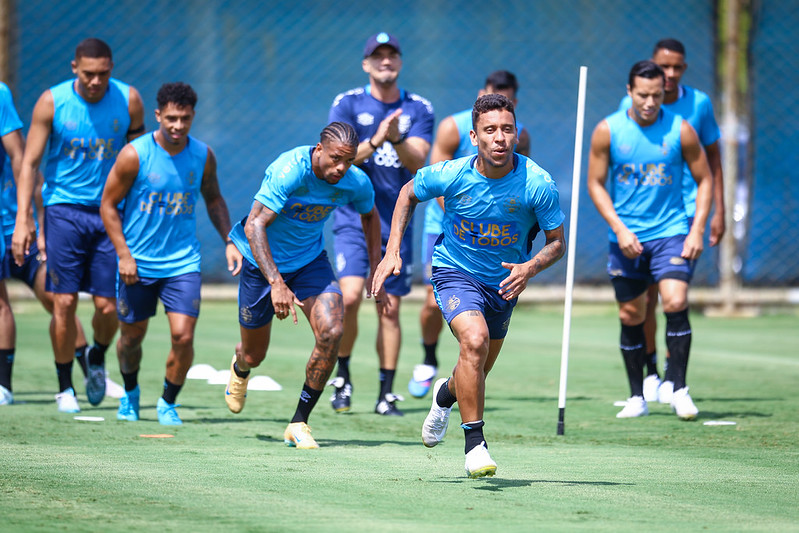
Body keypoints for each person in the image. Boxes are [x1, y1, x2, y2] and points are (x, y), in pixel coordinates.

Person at [372, 94, 565, 478]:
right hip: (454, 271)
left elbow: (557, 242)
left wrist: (529, 267)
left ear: (517, 134)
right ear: (474, 137)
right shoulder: (452, 173)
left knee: (474, 372)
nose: (499, 138)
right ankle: (475, 445)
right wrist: (392, 250)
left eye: (507, 129)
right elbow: (408, 193)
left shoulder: (537, 183)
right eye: (490, 130)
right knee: (474, 341)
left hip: (504, 285)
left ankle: (444, 395)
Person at [223, 122, 385, 448]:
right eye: (336, 158)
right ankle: (240, 367)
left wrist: (375, 266)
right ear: (319, 149)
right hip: (261, 264)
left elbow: (370, 215)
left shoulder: (354, 181)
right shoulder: (290, 171)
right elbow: (254, 225)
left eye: (348, 160)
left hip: (309, 262)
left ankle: (299, 422)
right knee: (254, 354)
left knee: (332, 332)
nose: (341, 168)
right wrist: (276, 282)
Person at [13, 38, 145, 413]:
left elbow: (140, 160)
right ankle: (65, 388)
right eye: (88, 74)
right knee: (64, 301)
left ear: (112, 68)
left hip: (109, 213)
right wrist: (24, 218)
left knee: (108, 307)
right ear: (74, 68)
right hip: (63, 211)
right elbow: (29, 164)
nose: (95, 81)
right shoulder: (51, 102)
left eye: (103, 73)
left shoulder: (129, 100)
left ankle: (97, 355)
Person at [100, 82, 240, 425]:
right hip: (138, 263)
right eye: (172, 118)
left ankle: (167, 402)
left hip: (182, 263)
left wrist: (230, 240)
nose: (178, 126)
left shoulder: (203, 155)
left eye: (185, 119)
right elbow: (107, 205)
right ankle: (130, 393)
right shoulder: (135, 154)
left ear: (193, 117)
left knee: (183, 336)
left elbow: (214, 198)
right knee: (131, 338)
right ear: (158, 115)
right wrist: (124, 255)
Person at [587, 60, 712, 420]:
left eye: (657, 95)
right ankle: (636, 397)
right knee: (631, 314)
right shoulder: (608, 130)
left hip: (671, 232)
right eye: (643, 95)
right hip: (626, 237)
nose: (650, 102)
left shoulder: (681, 129)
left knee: (675, 300)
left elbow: (705, 179)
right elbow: (595, 183)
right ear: (629, 91)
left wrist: (697, 229)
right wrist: (619, 228)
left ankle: (679, 389)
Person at [327, 32, 434, 416]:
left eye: (391, 55)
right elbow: (336, 159)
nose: (385, 61)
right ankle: (342, 377)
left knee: (388, 307)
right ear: (366, 63)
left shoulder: (418, 107)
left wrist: (397, 138)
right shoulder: (347, 103)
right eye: (377, 55)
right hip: (352, 220)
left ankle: (385, 394)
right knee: (350, 297)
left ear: (400, 62)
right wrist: (374, 141)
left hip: (396, 225)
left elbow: (419, 162)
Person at [410, 70, 532, 398]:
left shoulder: (518, 135)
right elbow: (434, 177)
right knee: (432, 301)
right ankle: (428, 359)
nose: (499, 135)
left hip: (494, 231)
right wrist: (465, 216)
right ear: (481, 94)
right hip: (448, 223)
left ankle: (454, 384)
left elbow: (522, 185)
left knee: (480, 342)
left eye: (508, 98)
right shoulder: (452, 126)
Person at [618, 39, 725, 404]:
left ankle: (674, 377)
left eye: (677, 67)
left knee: (674, 297)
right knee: (644, 299)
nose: (670, 74)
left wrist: (717, 212)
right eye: (664, 67)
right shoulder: (632, 107)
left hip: (685, 214)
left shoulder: (699, 105)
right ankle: (650, 371)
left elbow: (713, 161)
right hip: (645, 215)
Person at [0, 81, 25, 405]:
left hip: (10, 218)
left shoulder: (0, 95)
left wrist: (25, 216)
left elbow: (20, 158)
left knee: (57, 298)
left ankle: (3, 385)